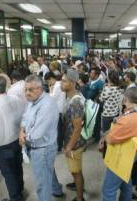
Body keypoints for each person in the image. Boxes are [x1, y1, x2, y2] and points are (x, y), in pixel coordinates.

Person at [19, 75, 64, 201]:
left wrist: (23, 138)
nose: (27, 93)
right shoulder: (32, 101)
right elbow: (25, 117)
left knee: (42, 185)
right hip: (36, 147)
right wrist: (21, 130)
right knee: (47, 170)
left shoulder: (46, 105)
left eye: (31, 89)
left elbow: (37, 134)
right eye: (26, 89)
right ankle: (57, 190)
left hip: (42, 149)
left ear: (40, 89)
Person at [101, 87, 137, 201]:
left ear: (126, 99)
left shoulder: (129, 119)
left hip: (120, 159)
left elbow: (111, 139)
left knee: (108, 190)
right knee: (126, 185)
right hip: (130, 157)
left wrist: (104, 136)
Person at [61, 69, 86, 201]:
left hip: (74, 143)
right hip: (74, 141)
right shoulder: (73, 96)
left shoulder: (75, 102)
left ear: (71, 83)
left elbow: (77, 128)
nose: (61, 83)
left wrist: (69, 147)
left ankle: (80, 198)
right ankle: (79, 188)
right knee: (76, 171)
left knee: (76, 172)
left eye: (64, 81)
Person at [44, 71, 66, 151]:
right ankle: (60, 145)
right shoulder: (58, 84)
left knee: (58, 130)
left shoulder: (56, 86)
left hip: (58, 110)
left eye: (48, 81)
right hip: (59, 109)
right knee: (59, 129)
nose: (48, 83)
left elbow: (51, 98)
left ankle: (59, 147)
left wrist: (50, 89)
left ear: (51, 79)